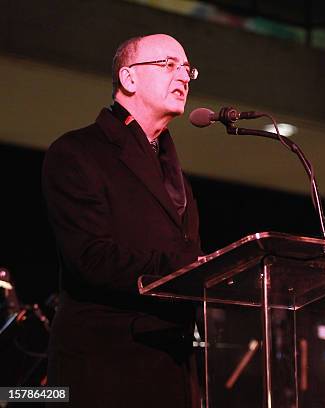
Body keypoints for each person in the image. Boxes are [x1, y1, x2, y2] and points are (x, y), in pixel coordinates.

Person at [42, 34, 203, 407]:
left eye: (187, 69)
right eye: (168, 65)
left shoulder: (177, 176)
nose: (182, 77)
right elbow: (90, 258)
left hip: (174, 372)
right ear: (128, 79)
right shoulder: (77, 152)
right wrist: (190, 269)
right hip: (106, 370)